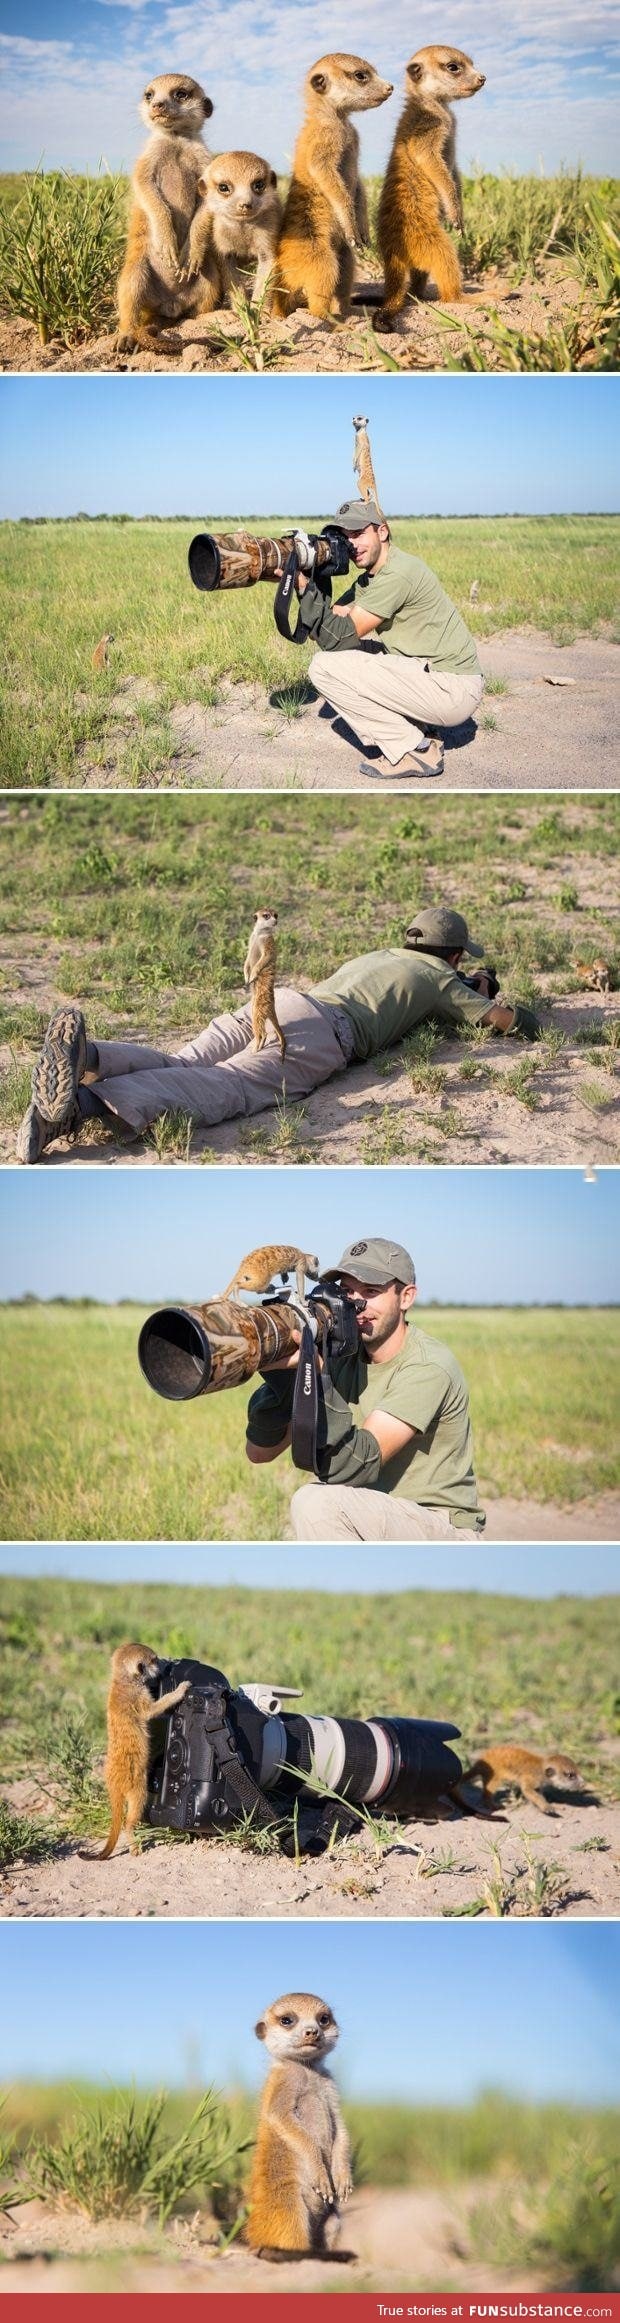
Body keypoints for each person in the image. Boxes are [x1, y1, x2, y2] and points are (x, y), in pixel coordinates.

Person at [16, 905, 541, 1163]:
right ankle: (81, 1104)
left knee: (183, 1061)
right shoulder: (441, 978)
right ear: (452, 956)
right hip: (321, 1035)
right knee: (227, 1087)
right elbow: (508, 1024)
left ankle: (88, 1053)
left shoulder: (384, 955)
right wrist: (486, 991)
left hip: (282, 1000)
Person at [245, 1235, 485, 1543]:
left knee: (316, 1503)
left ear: (406, 1297)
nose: (356, 1304)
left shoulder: (427, 1366)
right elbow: (260, 1452)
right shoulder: (343, 1355)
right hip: (374, 1514)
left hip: (439, 1524)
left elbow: (359, 1464)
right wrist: (287, 1375)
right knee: (321, 1502)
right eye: (346, 1291)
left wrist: (317, 1377)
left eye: (371, 1291)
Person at [288, 497, 484, 777]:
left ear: (382, 531)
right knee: (339, 655)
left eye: (358, 534)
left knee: (323, 667)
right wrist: (313, 571)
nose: (351, 545)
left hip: (452, 689)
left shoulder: (398, 573)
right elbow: (330, 624)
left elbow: (336, 636)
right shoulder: (372, 577)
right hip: (437, 677)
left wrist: (303, 585)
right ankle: (421, 728)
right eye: (344, 538)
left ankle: (414, 751)